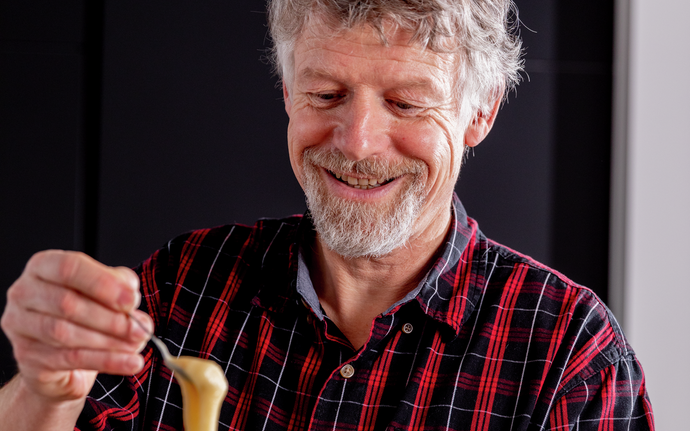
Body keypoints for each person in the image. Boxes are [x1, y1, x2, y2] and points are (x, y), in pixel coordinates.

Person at [0, 0, 654, 430]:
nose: (357, 141)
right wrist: (45, 393)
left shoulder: (569, 357)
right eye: (325, 93)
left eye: (405, 102)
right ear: (288, 92)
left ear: (479, 113)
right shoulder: (181, 287)